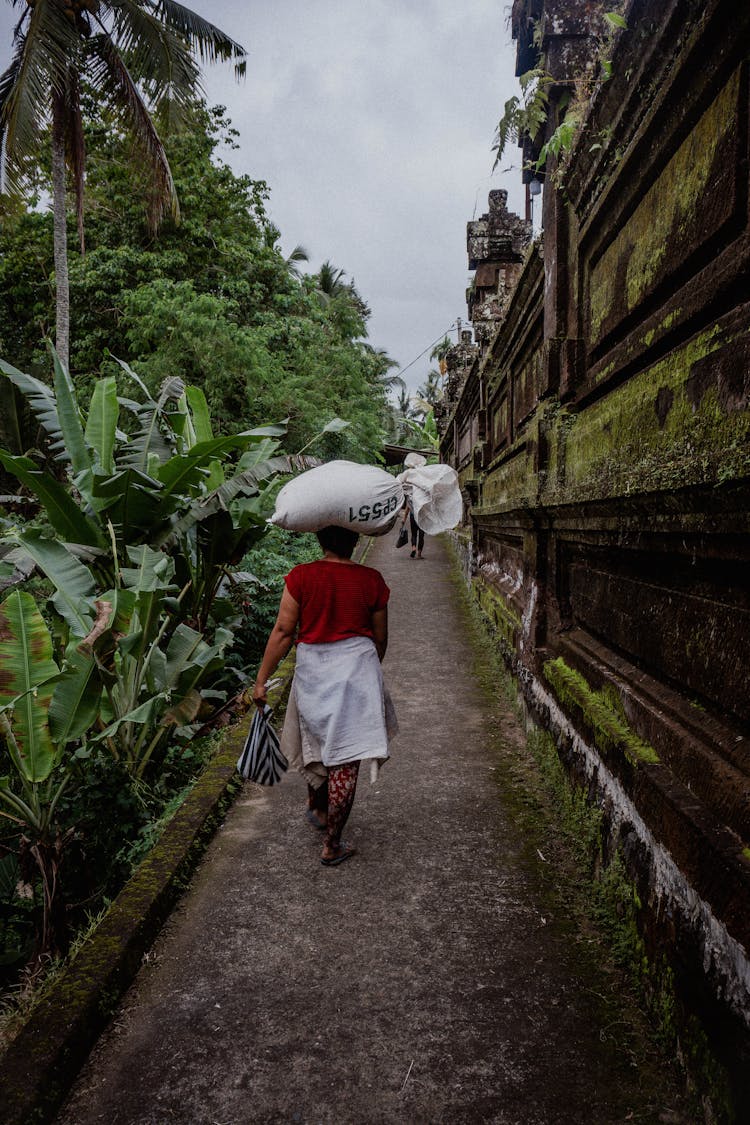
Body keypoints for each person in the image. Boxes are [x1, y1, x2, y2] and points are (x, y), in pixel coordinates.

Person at [252, 525, 394, 867]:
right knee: (346, 757)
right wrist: (364, 672)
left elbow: (284, 632)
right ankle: (332, 843)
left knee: (315, 743)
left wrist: (261, 680)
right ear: (356, 539)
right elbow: (380, 640)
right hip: (357, 671)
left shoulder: (301, 577)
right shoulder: (372, 580)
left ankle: (317, 806)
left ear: (318, 540)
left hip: (313, 672)